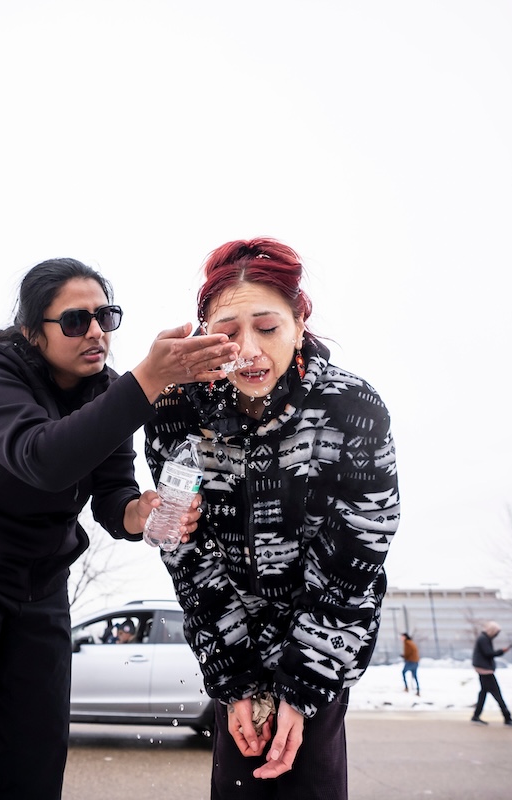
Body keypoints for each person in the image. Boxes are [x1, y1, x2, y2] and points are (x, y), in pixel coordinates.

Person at [0, 257, 238, 800]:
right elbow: (43, 458)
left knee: (34, 751)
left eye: (105, 317)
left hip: (40, 582)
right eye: (75, 320)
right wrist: (149, 379)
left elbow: (112, 495)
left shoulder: (106, 391)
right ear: (33, 331)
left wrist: (143, 514)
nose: (95, 332)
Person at [144, 238, 400, 798]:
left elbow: (356, 556)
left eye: (267, 327)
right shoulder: (177, 410)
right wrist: (234, 680)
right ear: (204, 330)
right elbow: (184, 549)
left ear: (300, 318)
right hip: (232, 635)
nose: (249, 351)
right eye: (228, 332)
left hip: (319, 640)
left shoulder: (351, 409)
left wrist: (301, 687)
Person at [470, 621, 512, 727]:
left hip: (483, 669)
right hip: (485, 670)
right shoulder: (484, 639)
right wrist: (501, 651)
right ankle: (507, 717)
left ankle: (476, 716)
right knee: (497, 693)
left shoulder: (484, 638)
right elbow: (488, 653)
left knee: (483, 693)